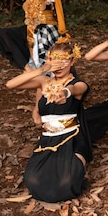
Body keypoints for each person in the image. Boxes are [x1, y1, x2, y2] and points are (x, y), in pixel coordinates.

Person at [5, 41, 91, 203]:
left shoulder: (78, 84)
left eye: (63, 61)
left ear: (72, 61)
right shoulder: (44, 81)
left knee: (67, 184)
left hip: (71, 138)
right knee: (32, 181)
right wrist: (43, 69)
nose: (59, 65)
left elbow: (75, 89)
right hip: (47, 139)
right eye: (54, 60)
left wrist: (64, 93)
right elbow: (10, 85)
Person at [0, 0, 67, 125]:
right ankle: (41, 108)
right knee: (41, 69)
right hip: (32, 33)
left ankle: (39, 109)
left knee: (47, 70)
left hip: (48, 33)